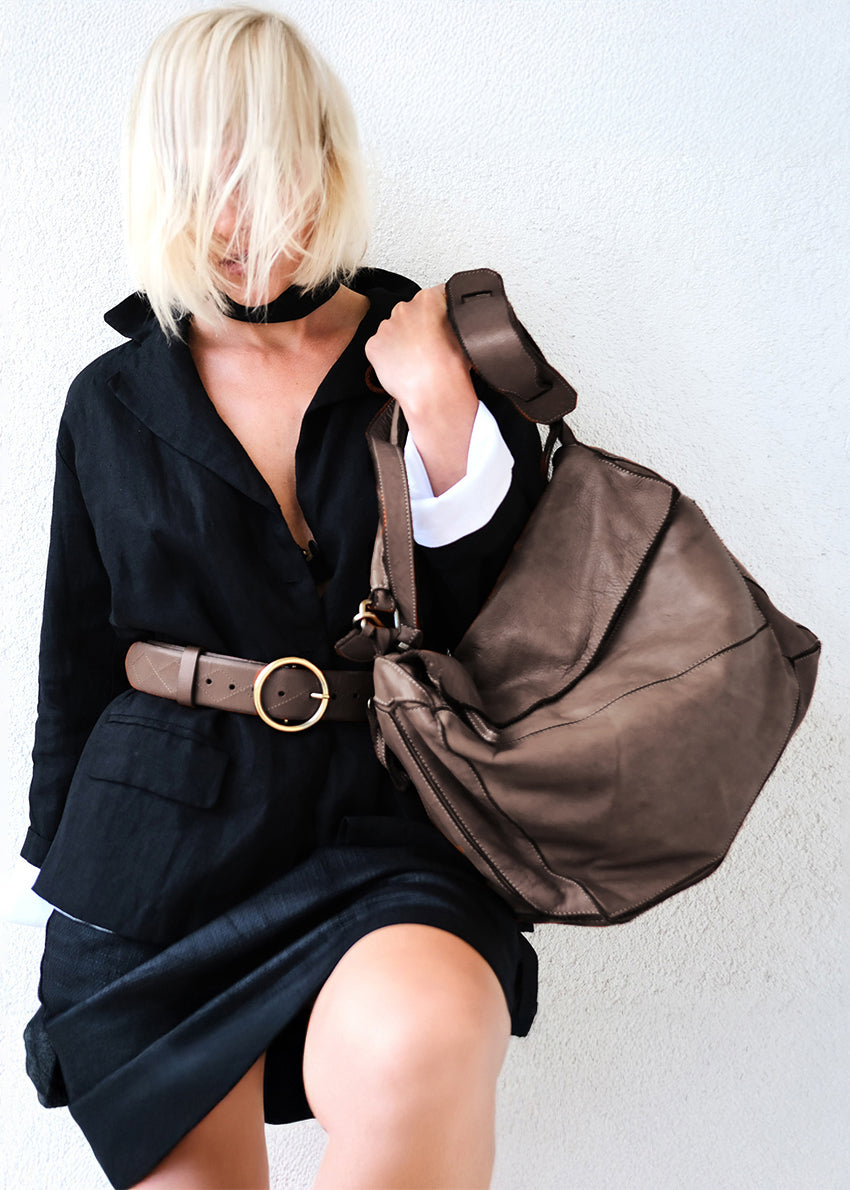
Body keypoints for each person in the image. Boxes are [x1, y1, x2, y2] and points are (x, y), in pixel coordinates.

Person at [10, 7, 546, 1188]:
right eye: (219, 180)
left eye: (287, 166)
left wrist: (449, 419)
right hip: (153, 849)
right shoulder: (113, 397)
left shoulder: (425, 354)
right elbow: (74, 657)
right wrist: (65, 870)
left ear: (333, 160)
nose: (258, 215)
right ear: (168, 185)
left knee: (426, 1028)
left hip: (380, 831)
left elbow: (513, 618)